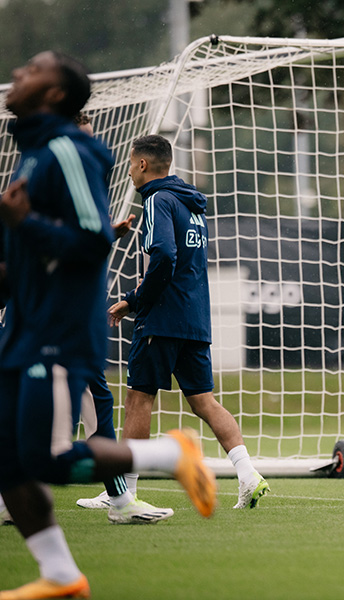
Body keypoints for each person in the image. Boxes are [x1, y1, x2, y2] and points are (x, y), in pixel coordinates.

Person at [0, 50, 216, 600]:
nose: (18, 72)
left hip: (56, 330)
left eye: (33, 69)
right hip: (27, 323)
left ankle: (169, 455)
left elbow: (92, 239)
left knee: (39, 459)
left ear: (53, 95)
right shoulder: (34, 153)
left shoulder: (68, 150)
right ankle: (60, 574)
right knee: (11, 458)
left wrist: (24, 222)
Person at [105, 134, 270, 510]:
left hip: (162, 317)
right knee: (204, 402)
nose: (130, 172)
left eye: (131, 164)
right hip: (194, 316)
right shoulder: (191, 204)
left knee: (138, 398)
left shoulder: (157, 200)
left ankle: (125, 492)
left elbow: (164, 254)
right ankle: (247, 475)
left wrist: (133, 300)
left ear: (143, 165)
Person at [69, 111, 173, 524]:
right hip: (51, 313)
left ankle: (120, 497)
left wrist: (106, 235)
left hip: (61, 312)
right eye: (84, 139)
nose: (93, 148)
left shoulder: (71, 182)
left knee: (91, 399)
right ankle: (130, 490)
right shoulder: (53, 181)